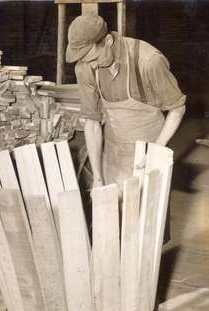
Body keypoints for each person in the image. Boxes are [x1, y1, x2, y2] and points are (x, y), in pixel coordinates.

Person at [66, 15, 186, 189]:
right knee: (113, 209)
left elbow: (177, 108)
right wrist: (98, 178)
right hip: (113, 153)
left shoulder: (148, 61)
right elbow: (92, 123)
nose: (90, 65)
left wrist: (156, 151)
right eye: (85, 61)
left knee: (149, 210)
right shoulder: (85, 67)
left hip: (150, 149)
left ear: (107, 40)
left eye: (93, 59)